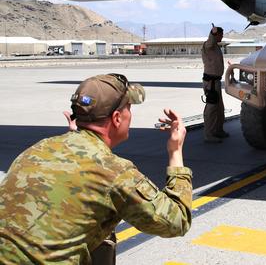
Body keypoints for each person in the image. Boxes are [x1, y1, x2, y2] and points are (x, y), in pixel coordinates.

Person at [0, 73, 192, 264]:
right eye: (129, 108)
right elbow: (177, 221)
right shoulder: (115, 172)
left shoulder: (38, 149)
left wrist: (75, 139)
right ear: (117, 118)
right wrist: (175, 151)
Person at [202, 25, 228, 142]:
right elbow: (210, 42)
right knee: (211, 109)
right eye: (220, 35)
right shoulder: (208, 45)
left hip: (216, 81)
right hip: (211, 82)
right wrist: (212, 34)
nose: (222, 37)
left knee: (219, 108)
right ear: (215, 35)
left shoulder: (216, 46)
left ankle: (218, 130)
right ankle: (209, 135)